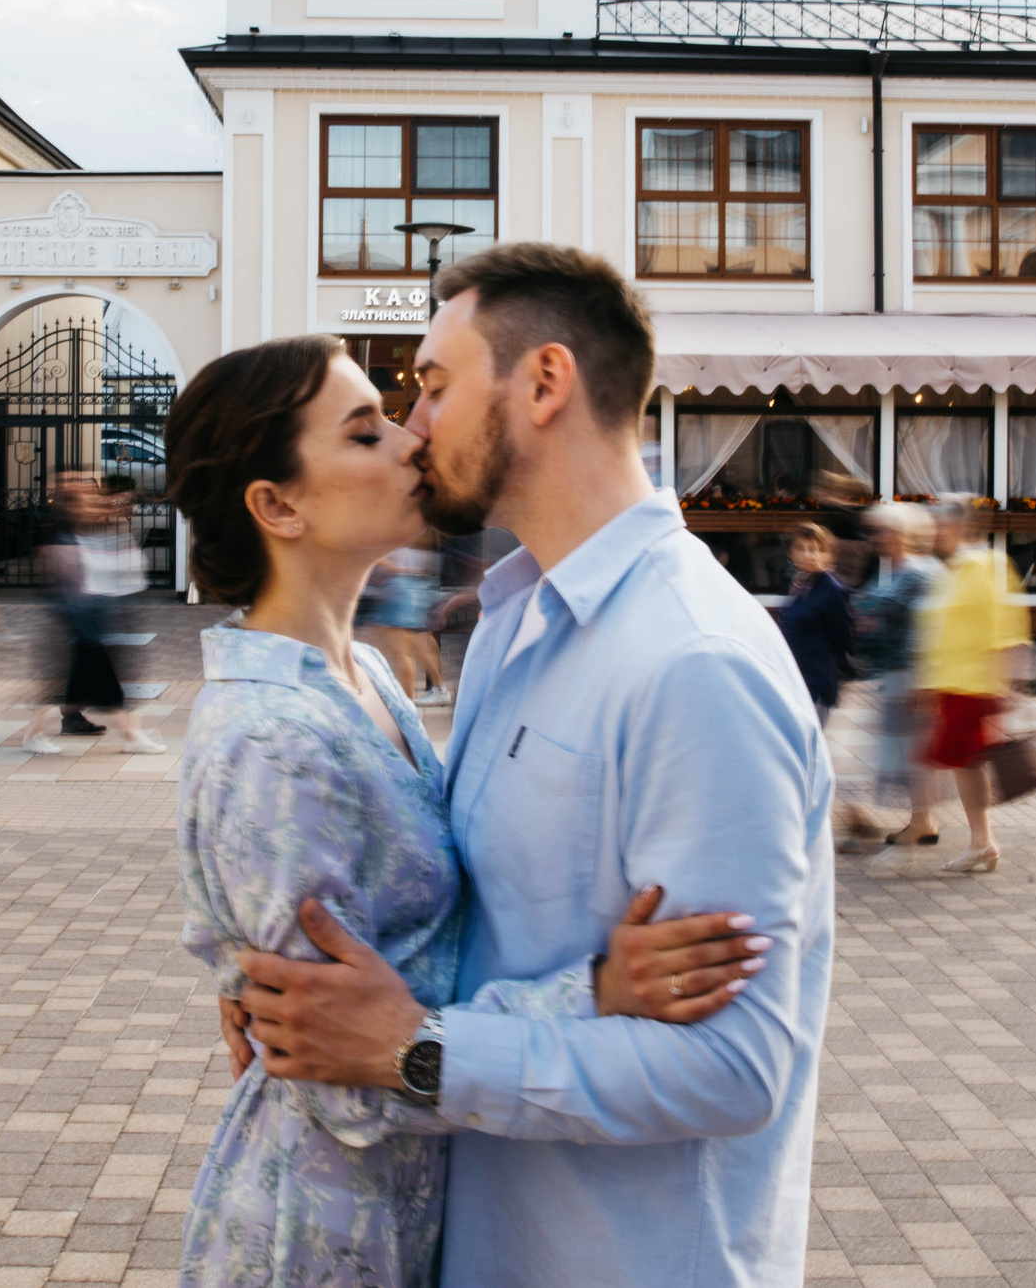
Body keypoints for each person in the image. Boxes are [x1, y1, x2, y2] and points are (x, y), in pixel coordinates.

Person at [228, 243, 832, 1288]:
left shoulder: (693, 663)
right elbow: (484, 922)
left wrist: (412, 1051)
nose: (415, 428)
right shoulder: (513, 620)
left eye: (434, 384)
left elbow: (734, 1070)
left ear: (543, 383)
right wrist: (291, 989)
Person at [917, 495, 1030, 874]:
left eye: (941, 527)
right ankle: (981, 841)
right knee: (964, 762)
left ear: (960, 527)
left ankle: (982, 841)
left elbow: (1004, 626)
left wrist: (1008, 682)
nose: (935, 534)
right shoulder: (954, 569)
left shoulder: (982, 566)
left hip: (974, 684)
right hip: (954, 684)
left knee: (963, 762)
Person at [17, 473, 164, 754]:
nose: (95, 504)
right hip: (80, 623)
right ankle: (132, 737)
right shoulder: (63, 538)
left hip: (93, 620)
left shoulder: (85, 532)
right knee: (100, 686)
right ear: (72, 505)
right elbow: (67, 585)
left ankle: (43, 733)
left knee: (71, 685)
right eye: (87, 500)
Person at [852, 501, 941, 847]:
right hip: (898, 672)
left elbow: (872, 605)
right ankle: (922, 820)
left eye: (883, 530)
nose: (877, 538)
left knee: (913, 752)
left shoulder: (917, 573)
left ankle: (922, 822)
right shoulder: (897, 569)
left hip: (912, 674)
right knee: (909, 750)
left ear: (902, 533)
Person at [773, 522, 856, 840]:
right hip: (797, 681)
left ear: (827, 552)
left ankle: (829, 818)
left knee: (808, 753)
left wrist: (835, 676)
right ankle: (835, 815)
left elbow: (843, 639)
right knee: (805, 751)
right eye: (803, 548)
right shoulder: (799, 585)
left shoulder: (832, 589)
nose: (809, 555)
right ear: (792, 552)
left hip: (817, 683)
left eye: (816, 548)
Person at [360, 543, 449, 707]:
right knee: (420, 647)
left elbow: (395, 565)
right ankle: (439, 690)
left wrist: (377, 560)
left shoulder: (396, 536)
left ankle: (407, 705)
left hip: (398, 592)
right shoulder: (421, 538)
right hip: (414, 590)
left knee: (402, 654)